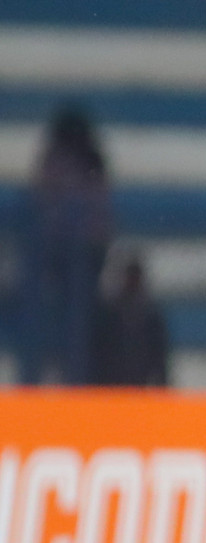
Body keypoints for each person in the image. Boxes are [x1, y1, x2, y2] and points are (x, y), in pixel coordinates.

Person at [18, 105, 113, 385]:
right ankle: (32, 383)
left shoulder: (93, 168)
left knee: (76, 328)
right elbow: (40, 203)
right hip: (49, 258)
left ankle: (74, 383)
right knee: (36, 322)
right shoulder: (53, 161)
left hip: (81, 261)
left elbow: (100, 223)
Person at [90, 249, 169, 386]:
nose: (132, 280)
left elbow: (158, 354)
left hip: (139, 383)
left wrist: (161, 383)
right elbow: (99, 351)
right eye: (129, 275)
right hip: (112, 384)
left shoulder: (150, 315)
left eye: (135, 276)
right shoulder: (110, 313)